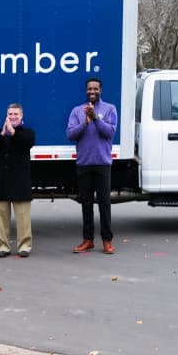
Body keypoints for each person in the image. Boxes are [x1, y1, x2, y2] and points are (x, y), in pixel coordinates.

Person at [66, 76, 118, 254]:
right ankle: (88, 240)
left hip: (103, 164)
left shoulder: (110, 109)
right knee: (86, 204)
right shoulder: (76, 111)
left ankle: (107, 241)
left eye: (95, 89)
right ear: (86, 90)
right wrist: (85, 122)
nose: (92, 92)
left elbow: (110, 132)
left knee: (104, 204)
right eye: (90, 89)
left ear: (100, 90)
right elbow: (71, 134)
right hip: (84, 164)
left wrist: (95, 119)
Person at [0, 103, 35, 257]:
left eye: (16, 114)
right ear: (6, 116)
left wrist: (13, 132)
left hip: (20, 181)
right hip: (2, 180)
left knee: (22, 216)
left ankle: (24, 246)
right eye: (10, 114)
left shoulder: (27, 132)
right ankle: (3, 246)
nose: (13, 117)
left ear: (21, 116)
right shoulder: (0, 133)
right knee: (2, 216)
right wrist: (2, 133)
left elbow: (25, 143)